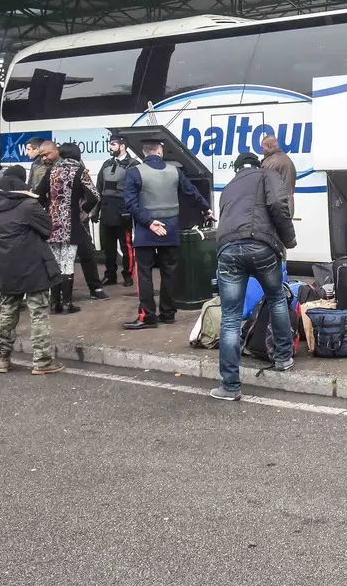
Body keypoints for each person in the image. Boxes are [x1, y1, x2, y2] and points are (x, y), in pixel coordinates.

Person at [210, 152, 297, 401]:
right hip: (261, 245)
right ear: (257, 165)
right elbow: (279, 205)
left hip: (227, 251)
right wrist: (288, 239)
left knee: (230, 318)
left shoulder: (228, 188)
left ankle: (230, 385)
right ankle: (282, 358)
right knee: (276, 298)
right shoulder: (266, 174)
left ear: (237, 169)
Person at [121, 139, 211, 330]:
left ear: (145, 154)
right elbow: (191, 192)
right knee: (169, 272)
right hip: (170, 228)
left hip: (146, 230)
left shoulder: (134, 172)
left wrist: (149, 222)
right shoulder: (175, 171)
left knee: (144, 274)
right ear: (160, 152)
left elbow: (130, 203)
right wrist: (206, 209)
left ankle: (147, 316)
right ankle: (168, 313)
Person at [0, 165, 64, 375]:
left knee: (8, 311)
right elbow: (47, 229)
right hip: (33, 266)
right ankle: (42, 361)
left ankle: (3, 358)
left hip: (6, 266)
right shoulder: (29, 205)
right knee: (39, 313)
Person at [36, 142, 103, 312]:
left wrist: (48, 206)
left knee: (56, 264)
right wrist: (84, 210)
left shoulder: (51, 171)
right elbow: (94, 196)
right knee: (67, 263)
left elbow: (38, 194)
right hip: (71, 225)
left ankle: (54, 303)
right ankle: (67, 304)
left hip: (52, 225)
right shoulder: (80, 172)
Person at [95, 136, 139, 287]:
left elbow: (138, 190)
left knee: (126, 245)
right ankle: (110, 275)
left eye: (113, 144)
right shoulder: (106, 164)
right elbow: (98, 189)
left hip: (123, 210)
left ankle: (128, 275)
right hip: (106, 210)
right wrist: (95, 210)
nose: (110, 147)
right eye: (110, 144)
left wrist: (134, 210)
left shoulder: (134, 165)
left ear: (122, 146)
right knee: (108, 247)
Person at [259, 133, 298, 216]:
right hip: (288, 205)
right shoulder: (286, 159)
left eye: (263, 148)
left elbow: (263, 186)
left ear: (269, 146)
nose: (262, 150)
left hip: (278, 208)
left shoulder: (271, 162)